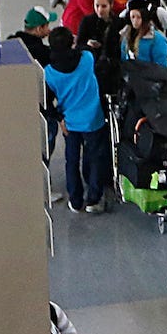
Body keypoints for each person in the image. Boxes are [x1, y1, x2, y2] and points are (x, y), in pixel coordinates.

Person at [44, 30, 109, 212]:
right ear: (70, 43)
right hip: (93, 119)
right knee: (95, 157)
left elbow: (47, 102)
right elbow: (87, 50)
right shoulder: (87, 59)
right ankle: (94, 199)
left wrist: (59, 118)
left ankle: (76, 200)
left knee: (71, 161)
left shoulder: (49, 73)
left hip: (70, 123)